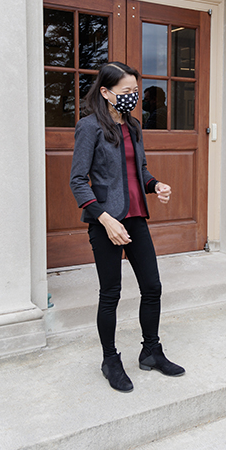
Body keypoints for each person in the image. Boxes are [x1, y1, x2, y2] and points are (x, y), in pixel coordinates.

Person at [70, 62, 185, 393]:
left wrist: (156, 185)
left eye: (135, 91)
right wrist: (103, 219)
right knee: (111, 294)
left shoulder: (134, 126)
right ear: (105, 93)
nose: (131, 98)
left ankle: (151, 351)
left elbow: (140, 172)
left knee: (152, 287)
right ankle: (110, 359)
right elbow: (78, 181)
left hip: (135, 217)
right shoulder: (88, 127)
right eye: (125, 92)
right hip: (105, 221)